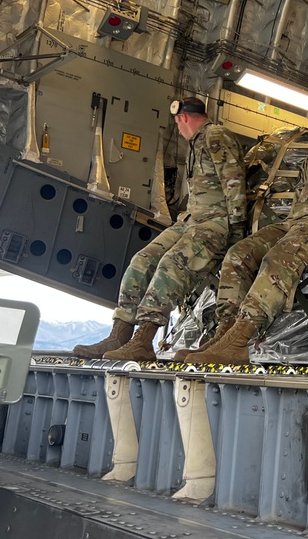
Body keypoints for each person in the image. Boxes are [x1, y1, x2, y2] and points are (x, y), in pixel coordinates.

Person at [182, 97, 308, 366]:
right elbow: (299, 196)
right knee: (239, 253)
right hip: (295, 222)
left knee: (278, 260)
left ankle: (240, 339)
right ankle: (225, 331)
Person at [73, 97, 246, 362]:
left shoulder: (216, 135)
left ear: (183, 118)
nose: (178, 128)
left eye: (177, 122)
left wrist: (236, 233)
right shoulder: (196, 142)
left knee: (171, 264)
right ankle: (120, 332)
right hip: (191, 220)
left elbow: (234, 182)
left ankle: (143, 339)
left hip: (215, 223)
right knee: (142, 260)